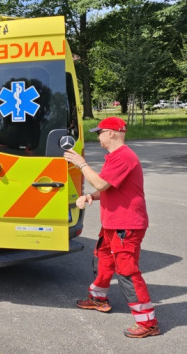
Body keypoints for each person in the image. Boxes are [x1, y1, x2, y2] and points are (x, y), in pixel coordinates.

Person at [63, 117, 159, 338]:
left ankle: (148, 323)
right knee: (103, 258)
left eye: (100, 132)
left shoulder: (123, 156)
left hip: (126, 225)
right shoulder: (115, 157)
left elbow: (101, 183)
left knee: (127, 271)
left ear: (113, 133)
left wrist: (81, 164)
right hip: (113, 223)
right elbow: (107, 188)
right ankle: (98, 299)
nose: (98, 136)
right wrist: (89, 196)